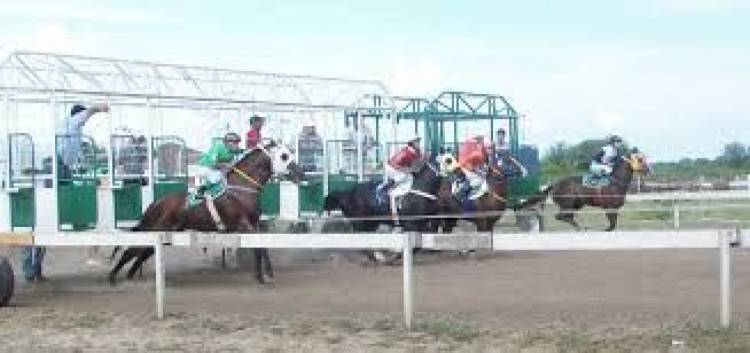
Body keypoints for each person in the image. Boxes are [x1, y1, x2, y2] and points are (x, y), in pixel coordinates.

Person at [57, 103, 110, 181]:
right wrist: (99, 108)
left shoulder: (74, 128)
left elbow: (78, 150)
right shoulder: (74, 120)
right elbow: (88, 112)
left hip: (66, 164)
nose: (86, 120)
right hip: (62, 163)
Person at [194, 132, 245, 201]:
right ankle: (200, 191)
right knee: (217, 177)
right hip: (205, 167)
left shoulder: (236, 150)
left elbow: (245, 154)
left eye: (237, 142)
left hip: (217, 169)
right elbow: (212, 163)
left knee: (226, 177)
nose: (236, 144)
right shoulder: (218, 147)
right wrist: (225, 165)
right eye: (234, 142)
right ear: (226, 142)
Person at [376, 136, 422, 203]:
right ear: (412, 143)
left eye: (419, 141)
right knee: (403, 176)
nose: (418, 143)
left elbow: (419, 162)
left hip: (402, 167)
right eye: (417, 142)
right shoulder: (405, 152)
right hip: (391, 167)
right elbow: (393, 164)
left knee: (410, 176)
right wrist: (404, 170)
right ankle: (383, 189)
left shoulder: (417, 152)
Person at [456, 135, 492, 199]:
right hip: (464, 168)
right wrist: (480, 173)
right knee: (477, 180)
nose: (490, 150)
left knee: (481, 178)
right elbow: (471, 167)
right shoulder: (478, 154)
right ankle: (461, 193)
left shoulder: (484, 155)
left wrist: (481, 172)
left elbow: (481, 167)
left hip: (468, 168)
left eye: (490, 148)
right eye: (488, 148)